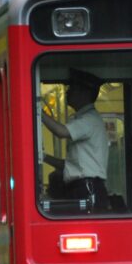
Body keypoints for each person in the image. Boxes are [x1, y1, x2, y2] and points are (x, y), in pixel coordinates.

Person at [42, 68, 109, 210]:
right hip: (82, 188)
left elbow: (61, 131)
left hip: (86, 189)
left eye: (72, 88)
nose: (67, 92)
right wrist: (44, 157)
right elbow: (73, 166)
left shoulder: (89, 120)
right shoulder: (83, 120)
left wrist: (38, 112)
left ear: (84, 93)